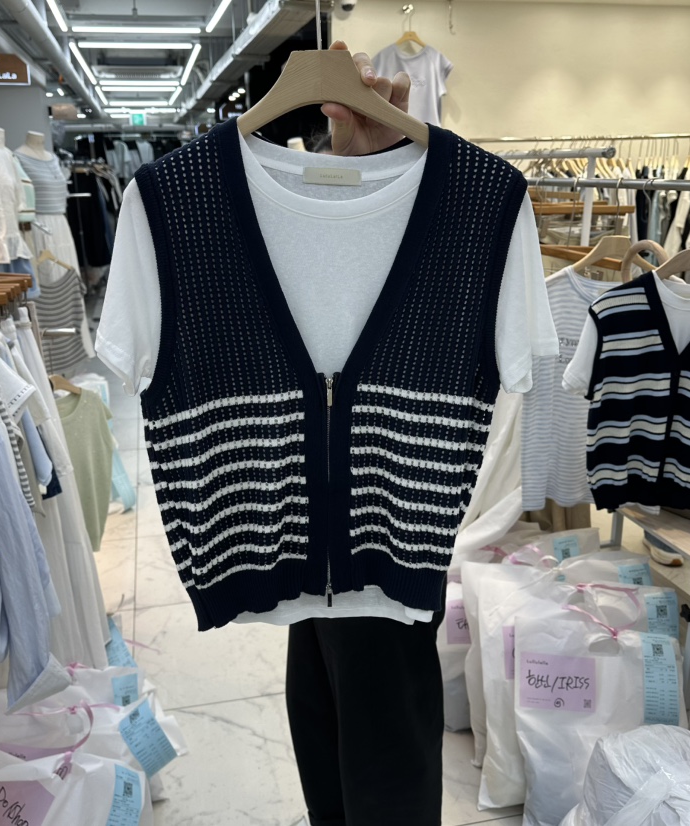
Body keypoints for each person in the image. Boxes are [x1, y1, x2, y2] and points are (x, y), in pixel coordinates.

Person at [284, 41, 447, 826]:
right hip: (310, 528)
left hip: (390, 524)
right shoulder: (250, 208)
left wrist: (388, 173)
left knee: (381, 749)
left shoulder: (461, 206)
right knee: (324, 720)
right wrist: (358, 170)